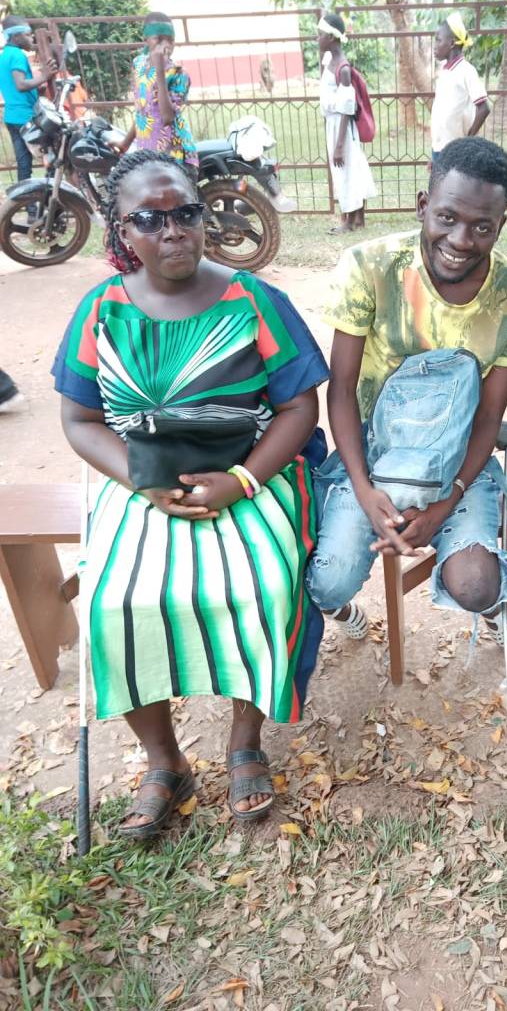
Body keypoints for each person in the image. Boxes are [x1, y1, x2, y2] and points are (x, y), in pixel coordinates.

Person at [52, 150, 329, 838]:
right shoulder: (101, 311)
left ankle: (244, 741)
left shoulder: (254, 300)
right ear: (122, 230)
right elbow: (79, 421)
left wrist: (242, 480)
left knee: (263, 583)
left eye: (185, 212)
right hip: (141, 479)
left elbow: (300, 408)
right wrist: (142, 482)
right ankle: (164, 760)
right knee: (114, 600)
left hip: (250, 471)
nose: (172, 230)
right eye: (149, 219)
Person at [306, 137, 507, 649]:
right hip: (372, 453)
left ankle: (493, 607)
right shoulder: (370, 267)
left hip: (457, 460)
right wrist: (365, 491)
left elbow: (488, 418)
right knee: (326, 583)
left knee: (476, 585)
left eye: (482, 227)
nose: (461, 239)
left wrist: (445, 501)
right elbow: (341, 390)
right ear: (422, 205)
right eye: (447, 217)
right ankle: (342, 610)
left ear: (501, 225)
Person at [116, 12, 198, 177]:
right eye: (158, 39)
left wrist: (160, 73)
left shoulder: (179, 74)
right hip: (147, 152)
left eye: (170, 40)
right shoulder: (139, 64)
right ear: (146, 39)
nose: (165, 45)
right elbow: (143, 112)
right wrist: (125, 144)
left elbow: (167, 117)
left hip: (175, 154)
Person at [317, 12, 376, 233]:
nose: (317, 38)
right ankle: (358, 219)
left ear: (331, 38)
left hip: (342, 128)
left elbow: (346, 108)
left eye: (320, 34)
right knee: (351, 169)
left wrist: (340, 145)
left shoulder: (342, 69)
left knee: (347, 171)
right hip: (333, 124)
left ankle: (349, 223)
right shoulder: (329, 61)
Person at [0, 17, 57, 188]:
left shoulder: (4, 55)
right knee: (52, 157)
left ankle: (26, 202)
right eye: (27, 34)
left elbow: (14, 86)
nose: (31, 38)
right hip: (26, 117)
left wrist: (38, 87)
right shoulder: (17, 55)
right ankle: (53, 196)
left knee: (24, 165)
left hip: (12, 117)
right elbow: (21, 85)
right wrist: (44, 76)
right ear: (16, 37)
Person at [431, 14, 490, 162]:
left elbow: (484, 108)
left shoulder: (466, 71)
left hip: (457, 151)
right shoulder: (445, 71)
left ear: (452, 43)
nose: (435, 45)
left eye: (438, 40)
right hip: (440, 148)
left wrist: (467, 141)